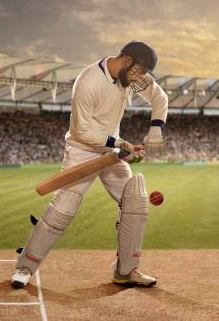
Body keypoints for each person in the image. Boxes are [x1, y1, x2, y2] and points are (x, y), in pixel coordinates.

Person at [11, 41, 168, 288]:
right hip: (82, 150)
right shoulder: (88, 82)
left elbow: (159, 96)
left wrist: (156, 129)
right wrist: (120, 142)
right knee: (64, 206)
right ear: (127, 61)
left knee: (135, 199)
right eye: (140, 72)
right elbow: (82, 131)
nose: (141, 80)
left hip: (111, 153)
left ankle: (125, 271)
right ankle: (25, 266)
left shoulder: (129, 76)